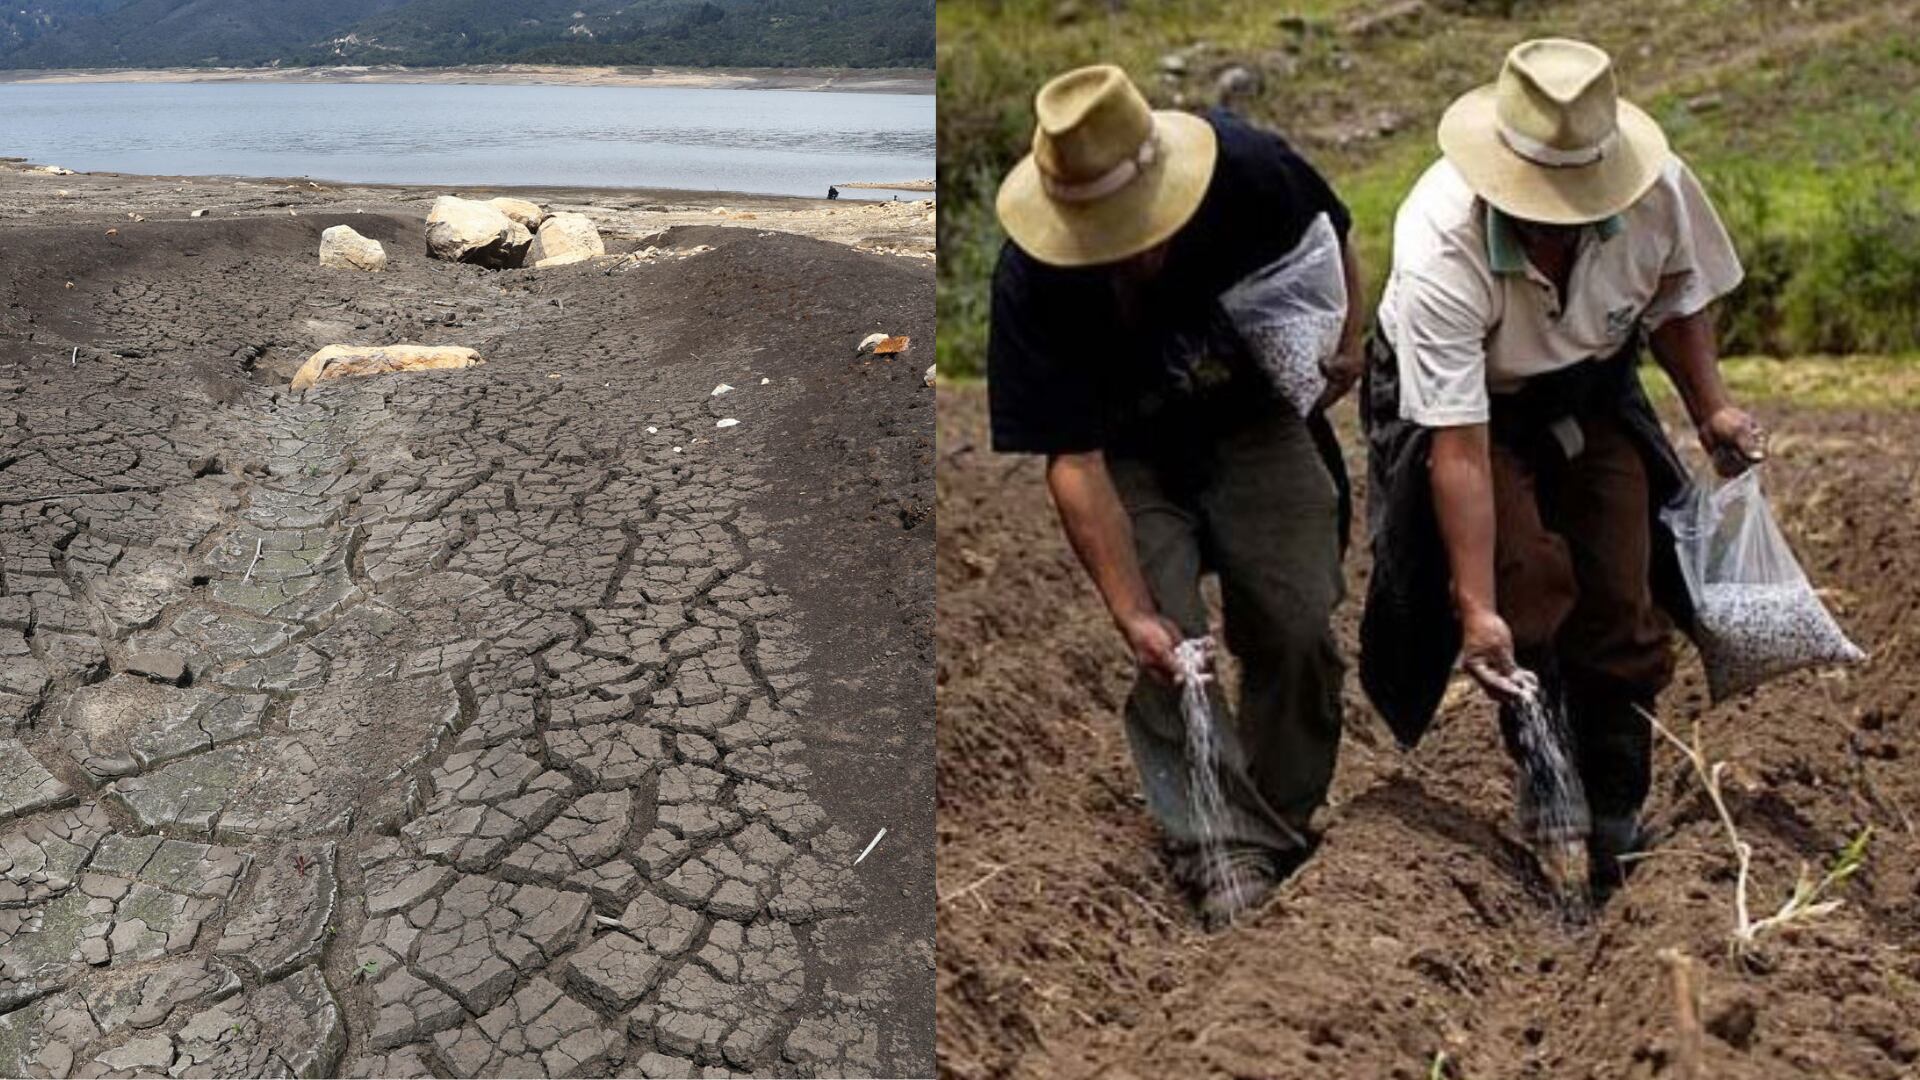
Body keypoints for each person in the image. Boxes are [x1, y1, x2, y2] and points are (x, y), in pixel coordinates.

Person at [1359, 38, 1763, 909]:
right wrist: (1476, 610)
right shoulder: (1442, 239)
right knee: (1522, 580)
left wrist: (1711, 409)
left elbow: (1676, 296)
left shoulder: (1656, 191)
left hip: (1589, 381)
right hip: (1468, 407)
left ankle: (1616, 808)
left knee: (1623, 586)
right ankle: (1546, 774)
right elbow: (1460, 451)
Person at [986, 64, 1364, 926]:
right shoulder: (1032, 279)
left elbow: (1331, 233)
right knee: (1175, 644)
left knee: (1300, 620)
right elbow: (1075, 465)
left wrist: (1346, 338)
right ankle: (1219, 842)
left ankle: (1280, 816)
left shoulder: (1250, 170)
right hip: (1128, 452)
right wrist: (1131, 614)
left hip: (1253, 417)